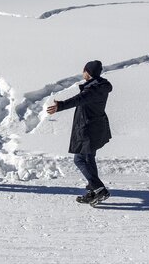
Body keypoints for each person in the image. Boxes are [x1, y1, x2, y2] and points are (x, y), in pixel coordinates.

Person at [47, 60, 112, 204]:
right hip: (96, 127)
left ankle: (99, 189)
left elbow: (79, 99)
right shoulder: (101, 85)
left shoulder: (93, 89)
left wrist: (61, 105)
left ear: (88, 72)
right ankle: (93, 190)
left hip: (88, 128)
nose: (82, 72)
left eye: (84, 70)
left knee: (79, 159)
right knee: (89, 158)